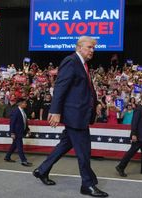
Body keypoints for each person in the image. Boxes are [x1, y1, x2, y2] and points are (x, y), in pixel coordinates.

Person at [32, 36, 108, 197]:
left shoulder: (83, 65)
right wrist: (55, 112)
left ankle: (42, 170)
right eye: (89, 47)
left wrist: (97, 103)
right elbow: (60, 86)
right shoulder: (71, 61)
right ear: (79, 47)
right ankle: (87, 184)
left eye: (94, 48)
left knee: (65, 145)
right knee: (84, 152)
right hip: (75, 115)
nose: (92, 50)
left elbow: (85, 90)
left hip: (80, 114)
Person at [115, 95, 142, 177]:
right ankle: (120, 167)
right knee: (131, 152)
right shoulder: (138, 109)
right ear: (141, 101)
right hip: (139, 136)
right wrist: (133, 134)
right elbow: (134, 122)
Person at [4, 99, 32, 167]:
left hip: (21, 131)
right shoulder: (16, 111)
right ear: (20, 104)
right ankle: (24, 161)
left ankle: (7, 157)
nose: (26, 104)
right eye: (25, 103)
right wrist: (12, 133)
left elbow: (24, 122)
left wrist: (27, 129)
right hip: (16, 132)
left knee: (14, 145)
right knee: (20, 146)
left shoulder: (22, 111)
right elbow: (12, 123)